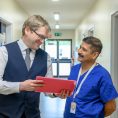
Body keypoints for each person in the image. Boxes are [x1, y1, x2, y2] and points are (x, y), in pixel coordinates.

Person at [0, 15, 68, 118]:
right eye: (40, 36)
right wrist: (20, 86)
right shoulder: (4, 51)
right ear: (27, 30)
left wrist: (56, 93)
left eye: (44, 38)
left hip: (33, 115)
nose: (42, 41)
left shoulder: (46, 57)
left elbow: (48, 88)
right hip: (6, 114)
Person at [64, 36, 118, 118]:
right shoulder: (74, 69)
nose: (79, 51)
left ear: (94, 55)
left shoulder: (102, 75)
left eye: (84, 49)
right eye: (80, 48)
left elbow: (111, 106)